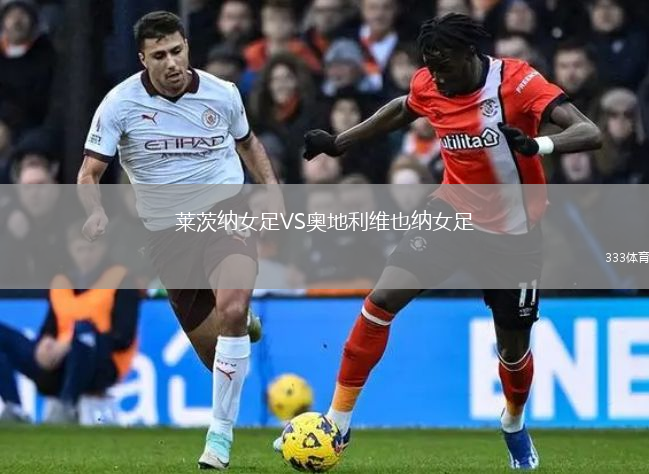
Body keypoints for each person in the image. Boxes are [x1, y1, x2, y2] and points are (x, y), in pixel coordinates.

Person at [276, 13, 602, 470]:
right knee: (380, 301)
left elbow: (590, 131)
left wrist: (539, 146)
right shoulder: (430, 81)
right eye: (431, 67)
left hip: (514, 235)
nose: (438, 78)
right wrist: (339, 142)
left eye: (445, 66)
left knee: (512, 351)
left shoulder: (518, 83)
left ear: (470, 54)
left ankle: (512, 422)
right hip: (451, 215)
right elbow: (402, 107)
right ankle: (338, 422)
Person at [76, 12, 282, 470]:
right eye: (159, 56)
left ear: (187, 46)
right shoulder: (118, 104)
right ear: (142, 59)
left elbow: (247, 143)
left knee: (230, 309)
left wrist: (271, 188)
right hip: (168, 235)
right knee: (216, 356)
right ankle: (241, 326)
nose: (171, 63)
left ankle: (219, 436)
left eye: (176, 51)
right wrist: (95, 212)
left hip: (225, 212)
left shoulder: (222, 93)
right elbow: (89, 172)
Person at [0, 220, 140, 424]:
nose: (86, 255)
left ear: (104, 248)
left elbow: (124, 337)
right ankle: (14, 408)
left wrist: (69, 344)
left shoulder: (121, 281)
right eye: (80, 249)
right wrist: (45, 343)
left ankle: (67, 407)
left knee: (85, 332)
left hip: (99, 364)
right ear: (71, 249)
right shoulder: (62, 282)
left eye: (92, 248)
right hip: (58, 363)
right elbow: (50, 327)